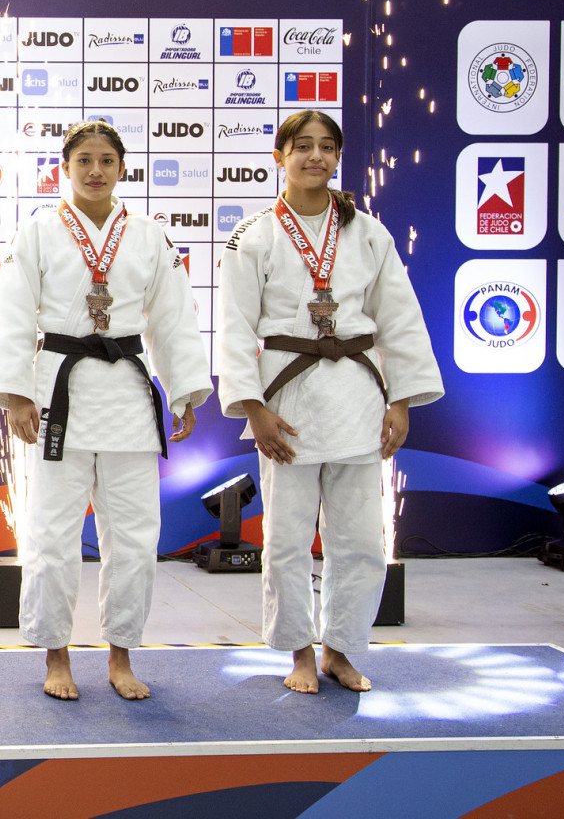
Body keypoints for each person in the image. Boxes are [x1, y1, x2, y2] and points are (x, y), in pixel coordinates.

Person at [0, 120, 211, 701]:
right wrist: (15, 393)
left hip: (128, 397)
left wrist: (182, 390)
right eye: (83, 159)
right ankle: (56, 655)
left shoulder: (150, 235)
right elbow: (12, 314)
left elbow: (174, 317)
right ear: (65, 167)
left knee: (134, 538)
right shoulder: (37, 232)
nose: (95, 170)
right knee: (53, 534)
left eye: (106, 159)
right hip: (59, 390)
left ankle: (121, 654)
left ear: (122, 168)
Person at [216, 110, 443, 693]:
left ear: (338, 158)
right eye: (302, 146)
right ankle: (298, 653)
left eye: (326, 147)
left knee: (362, 540)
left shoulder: (368, 232)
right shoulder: (255, 235)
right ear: (280, 156)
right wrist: (252, 407)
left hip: (358, 398)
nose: (315, 156)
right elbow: (235, 327)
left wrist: (402, 400)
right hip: (286, 397)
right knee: (288, 538)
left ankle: (342, 648)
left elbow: (401, 318)